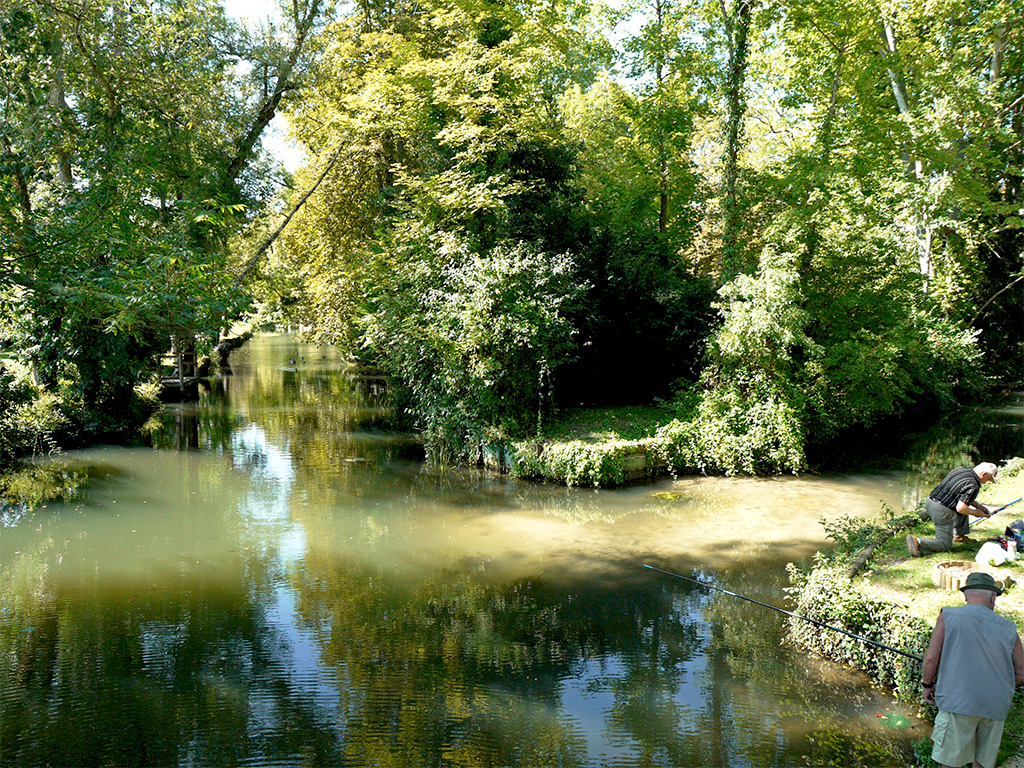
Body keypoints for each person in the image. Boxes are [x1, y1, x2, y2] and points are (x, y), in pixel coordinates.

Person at [920, 571, 1024, 768]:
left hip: (957, 702)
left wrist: (927, 685)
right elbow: (1021, 673)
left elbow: (931, 659)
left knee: (950, 762)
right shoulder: (1009, 628)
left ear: (966, 596)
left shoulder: (949, 616)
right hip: (995, 705)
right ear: (993, 597)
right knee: (983, 762)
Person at [908, 462, 999, 557]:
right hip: (942, 510)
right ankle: (917, 541)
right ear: (983, 474)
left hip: (930, 501)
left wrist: (979, 506)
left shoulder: (961, 470)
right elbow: (961, 508)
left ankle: (958, 536)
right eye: (987, 480)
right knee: (945, 545)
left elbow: (963, 497)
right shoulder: (973, 485)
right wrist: (976, 512)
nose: (985, 482)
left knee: (965, 506)